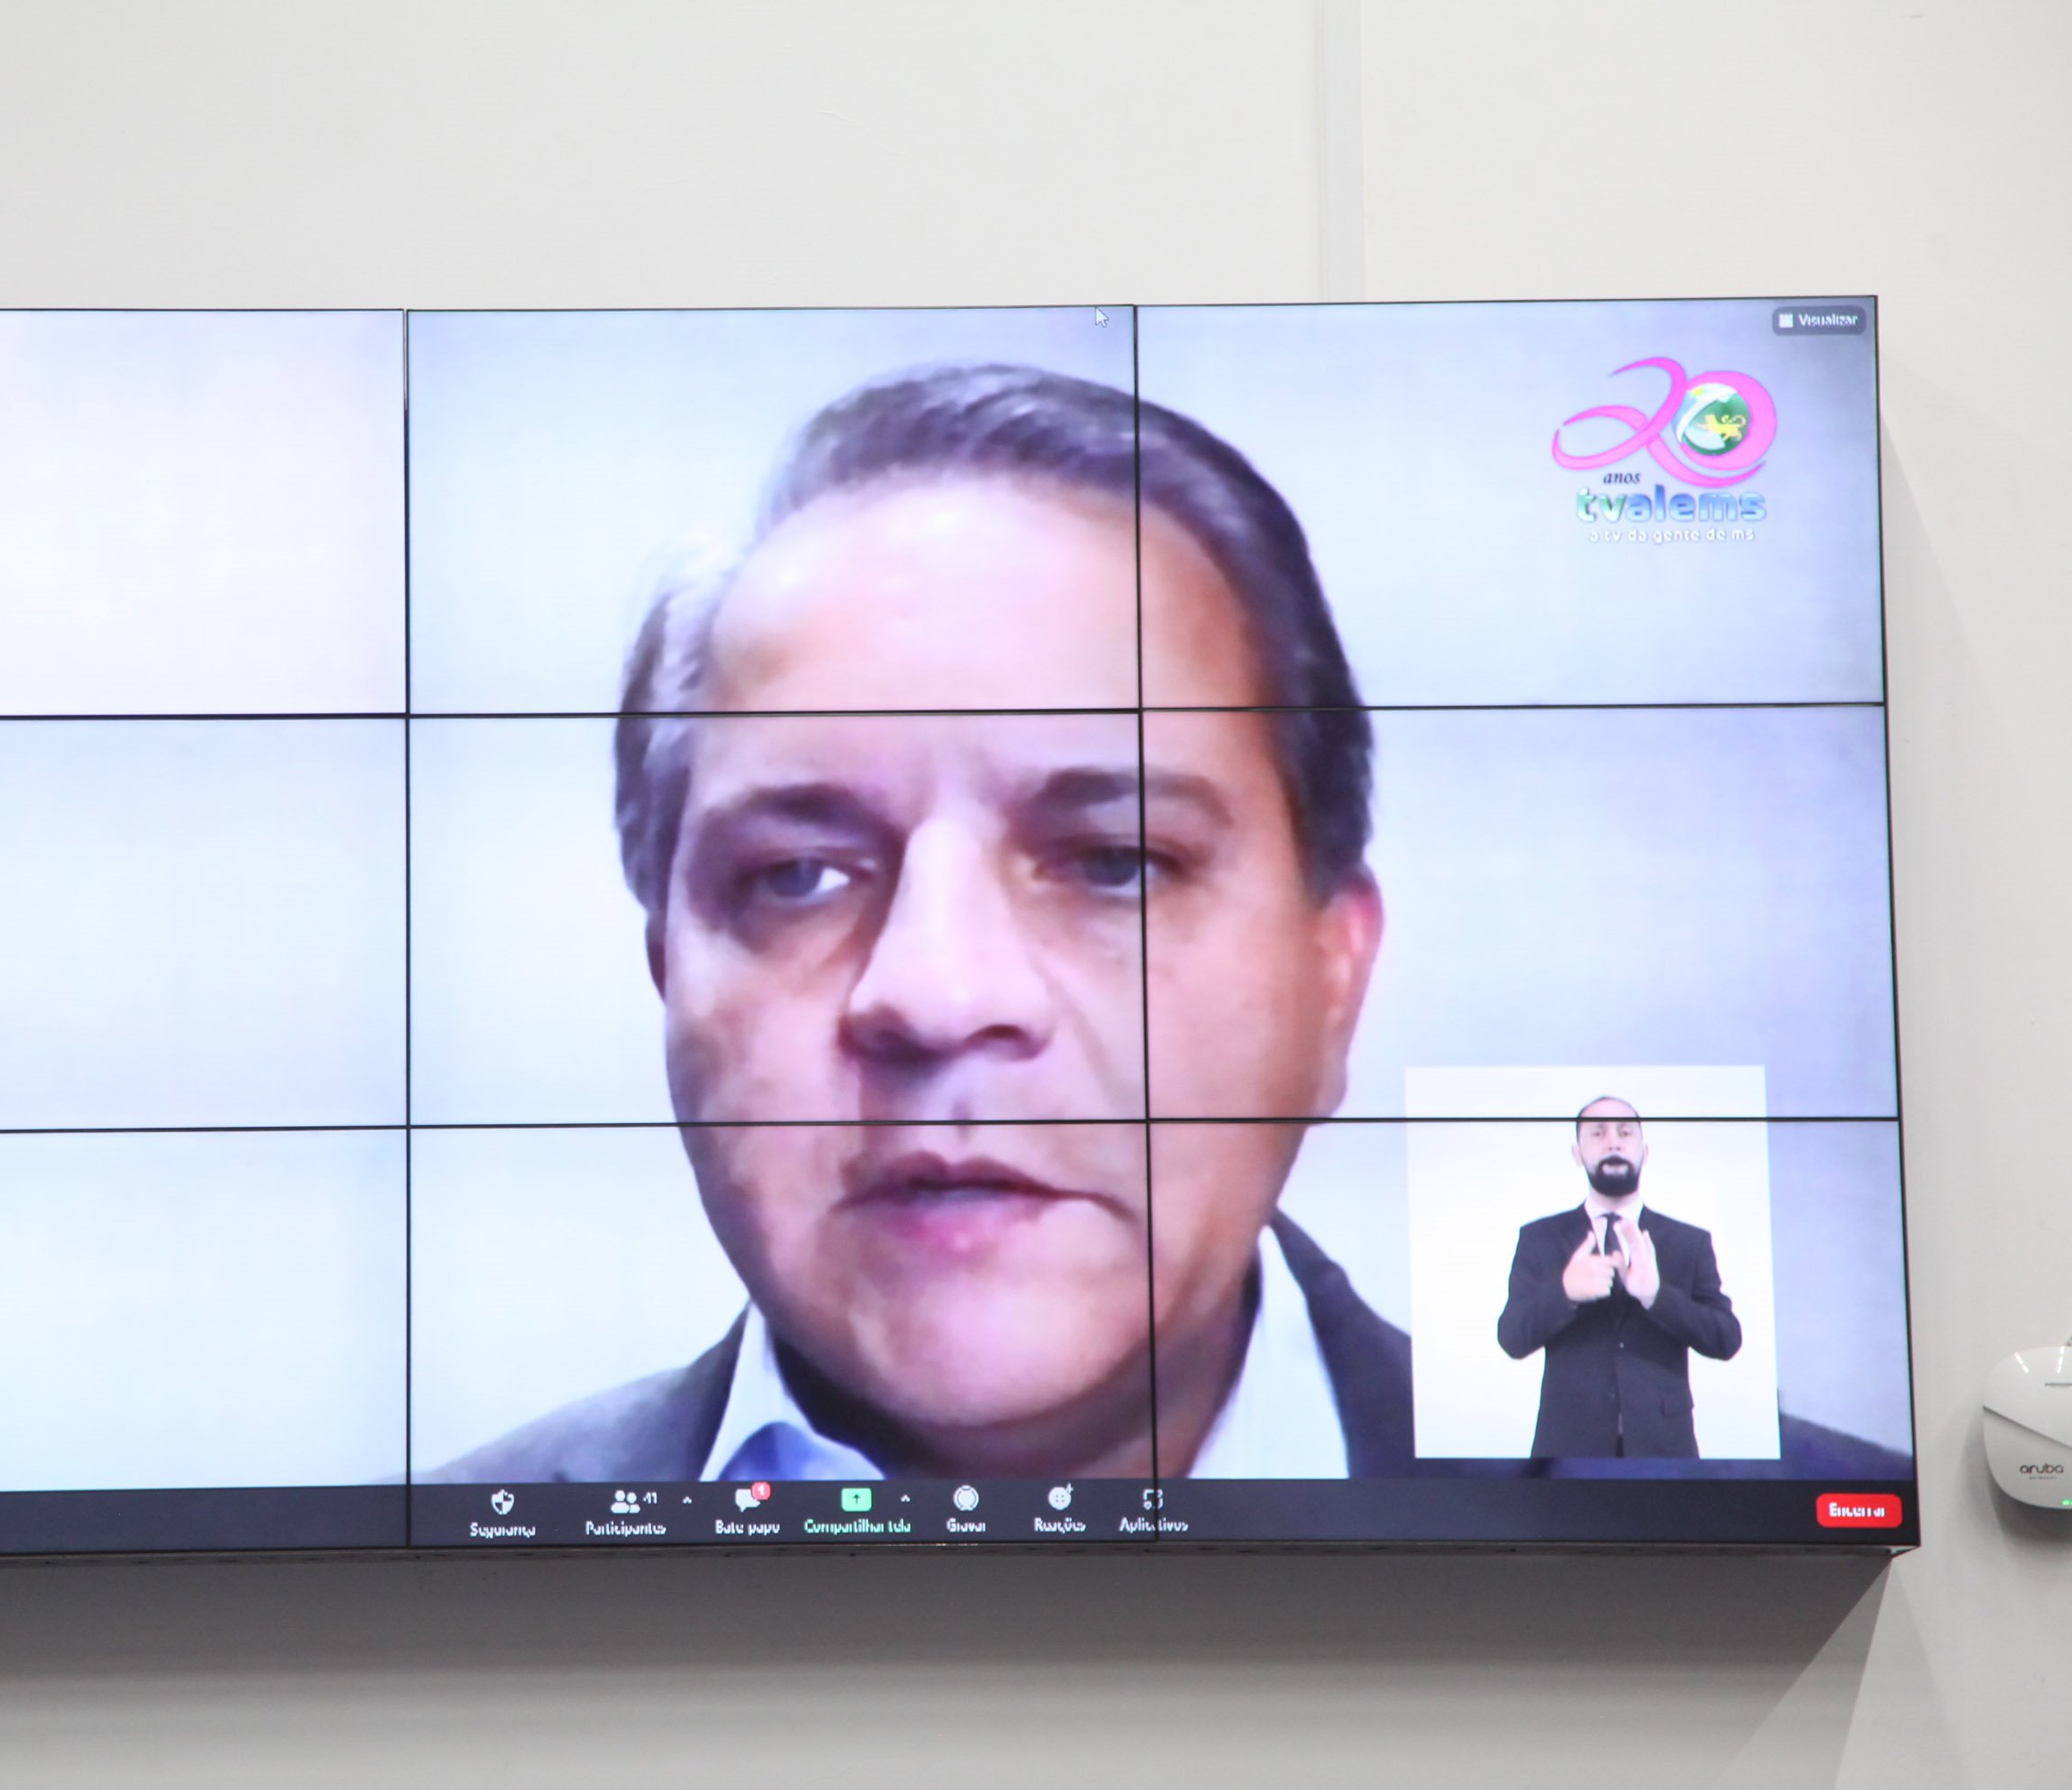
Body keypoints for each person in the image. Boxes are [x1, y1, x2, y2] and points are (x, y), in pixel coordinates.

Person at [435, 363, 1409, 1485]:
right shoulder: (430, 1568)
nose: (939, 996)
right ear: (668, 973)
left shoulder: (1578, 1511)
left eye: (1116, 863)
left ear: (1333, 977)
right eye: (798, 876)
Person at [1496, 1096, 1743, 1459]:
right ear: (1577, 1153)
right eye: (1598, 1133)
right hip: (1568, 1450)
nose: (1613, 1142)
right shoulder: (1540, 1237)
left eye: (1625, 1133)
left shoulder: (1688, 1242)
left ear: (1645, 1151)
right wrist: (1564, 1291)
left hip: (1664, 1450)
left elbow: (1726, 1339)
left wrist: (1657, 1297)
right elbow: (1512, 1338)